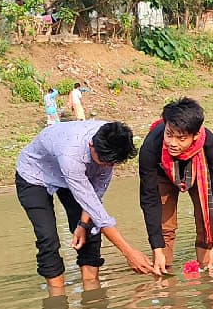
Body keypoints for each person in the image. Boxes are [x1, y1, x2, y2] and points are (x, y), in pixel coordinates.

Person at [16, 120, 153, 294]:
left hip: (74, 175)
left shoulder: (112, 140)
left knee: (90, 231)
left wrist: (82, 224)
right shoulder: (71, 155)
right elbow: (98, 212)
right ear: (91, 145)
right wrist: (128, 252)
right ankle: (57, 297)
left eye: (112, 164)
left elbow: (94, 197)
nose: (107, 168)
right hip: (34, 174)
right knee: (48, 238)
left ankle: (92, 296)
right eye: (103, 162)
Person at [138, 98, 213, 274]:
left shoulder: (210, 145)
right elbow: (149, 200)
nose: (173, 143)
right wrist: (157, 250)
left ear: (195, 135)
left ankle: (207, 271)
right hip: (162, 171)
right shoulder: (151, 146)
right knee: (165, 226)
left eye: (181, 138)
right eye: (169, 134)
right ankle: (164, 272)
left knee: (206, 221)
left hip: (200, 170)